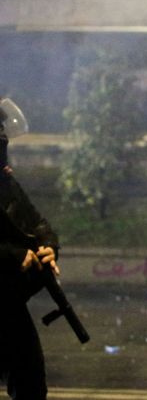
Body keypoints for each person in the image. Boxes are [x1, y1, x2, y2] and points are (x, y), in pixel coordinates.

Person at [0, 97, 61, 400]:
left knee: (30, 383)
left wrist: (49, 247)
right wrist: (12, 255)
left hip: (7, 302)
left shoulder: (6, 183)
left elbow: (35, 222)